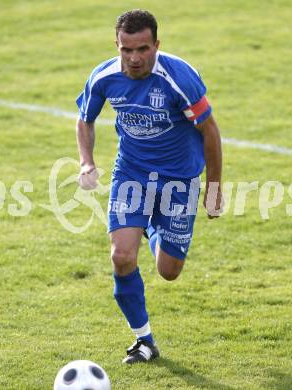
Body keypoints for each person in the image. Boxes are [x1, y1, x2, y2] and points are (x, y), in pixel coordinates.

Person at [76, 9, 223, 364]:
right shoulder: (104, 76)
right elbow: (85, 120)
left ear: (156, 44)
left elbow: (210, 132)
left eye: (142, 48)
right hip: (132, 173)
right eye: (126, 50)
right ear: (117, 45)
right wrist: (87, 161)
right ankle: (144, 341)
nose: (134, 58)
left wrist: (214, 188)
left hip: (179, 179)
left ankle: (152, 227)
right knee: (122, 256)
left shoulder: (178, 77)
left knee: (168, 271)